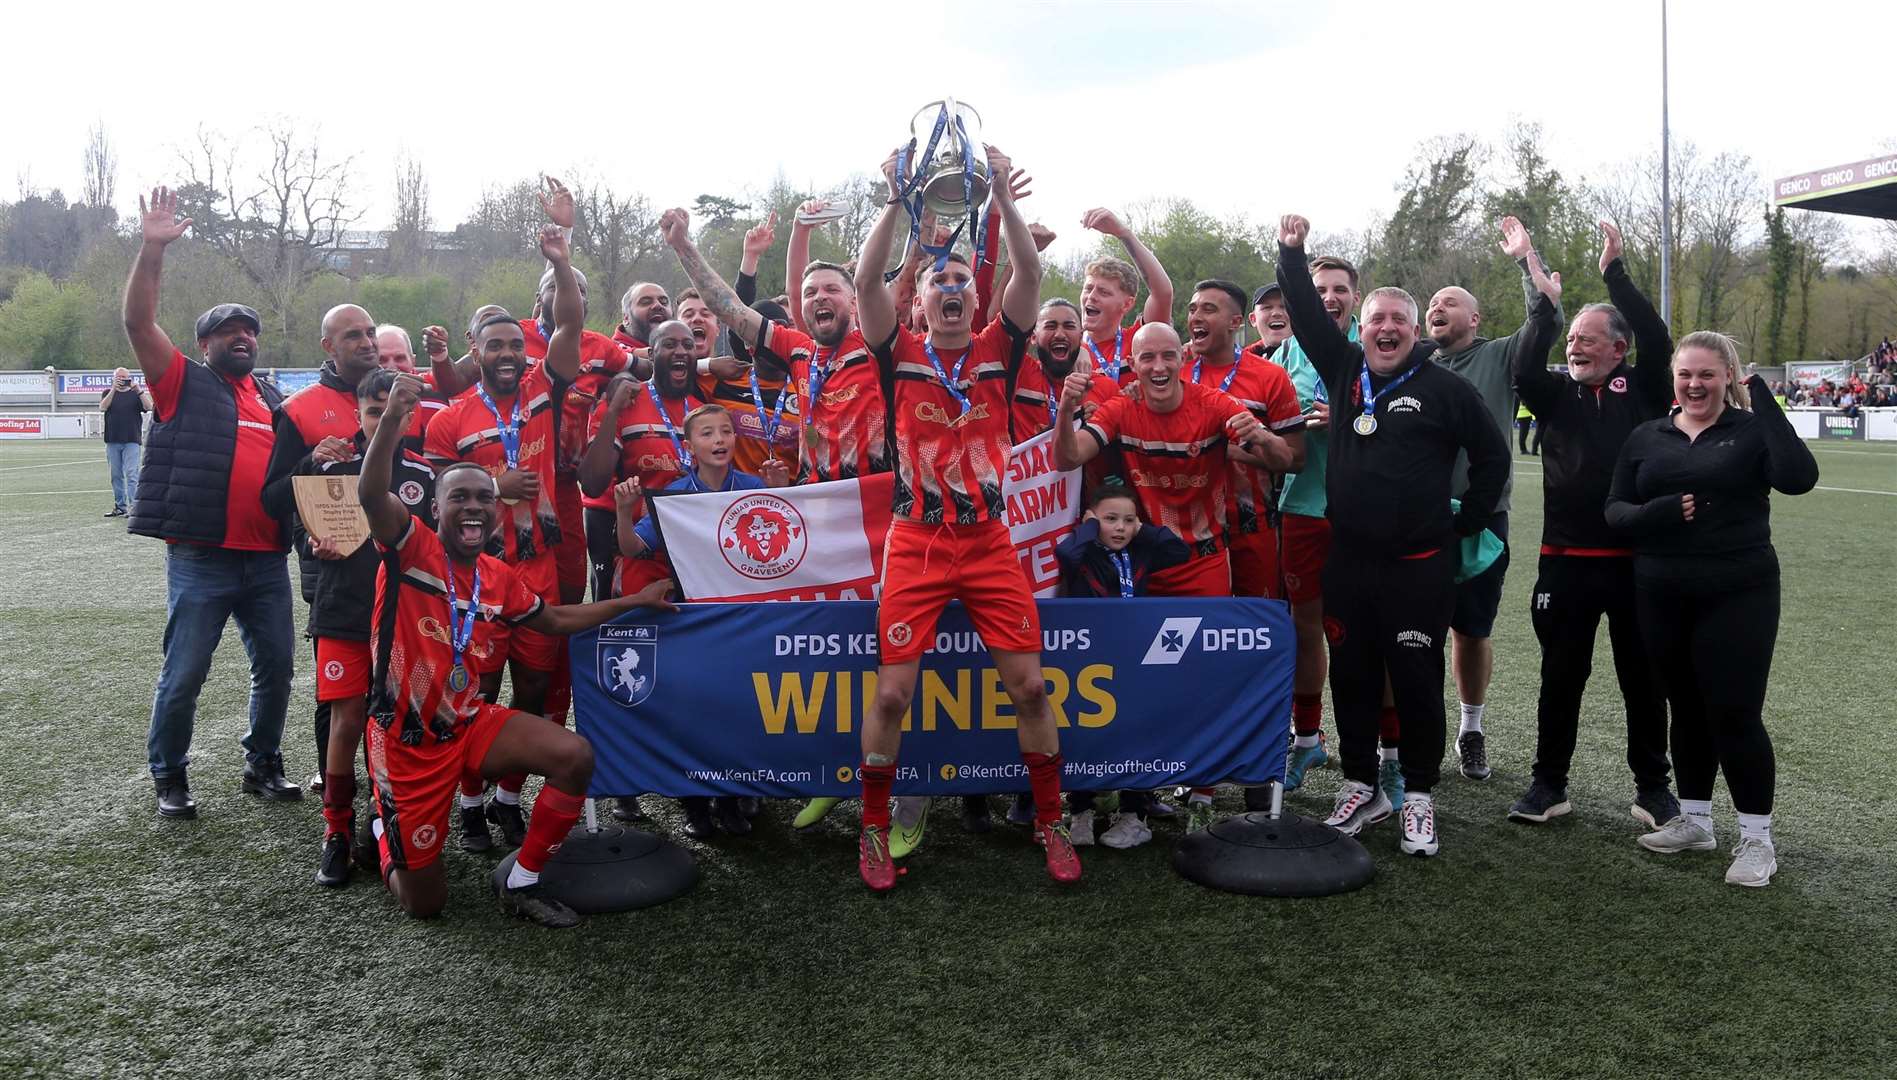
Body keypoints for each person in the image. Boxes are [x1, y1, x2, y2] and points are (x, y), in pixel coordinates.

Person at [357, 372, 677, 927]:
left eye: (485, 497)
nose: (474, 507)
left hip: (468, 722)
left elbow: (553, 618)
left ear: (498, 508)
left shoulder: (496, 576)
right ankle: (385, 828)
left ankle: (523, 880)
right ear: (436, 509)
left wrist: (634, 602)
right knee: (426, 905)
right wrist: (391, 422)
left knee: (574, 755)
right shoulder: (411, 550)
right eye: (459, 497)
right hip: (407, 744)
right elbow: (370, 494)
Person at [848, 141, 1080, 891]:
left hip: (987, 542)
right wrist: (891, 199)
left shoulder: (997, 348)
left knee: (1031, 689)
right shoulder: (897, 350)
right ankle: (875, 830)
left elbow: (1032, 274)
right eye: (936, 282)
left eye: (961, 281)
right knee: (891, 694)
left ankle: (1050, 818)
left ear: (976, 299)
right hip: (916, 542)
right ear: (918, 300)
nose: (951, 289)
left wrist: (1007, 202)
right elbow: (862, 280)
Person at [1276, 213, 1509, 857]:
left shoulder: (1445, 388)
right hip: (1349, 562)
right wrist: (1292, 254)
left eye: (1397, 322)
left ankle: (1419, 796)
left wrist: (1469, 518)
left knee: (1414, 677)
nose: (1385, 329)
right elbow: (1303, 309)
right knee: (1351, 676)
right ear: (1363, 327)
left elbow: (1492, 457)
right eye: (1375, 319)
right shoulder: (1346, 367)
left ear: (1412, 333)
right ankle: (1359, 786)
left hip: (1419, 565)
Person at [1053, 321, 1292, 829]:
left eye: (1167, 357)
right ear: (1133, 365)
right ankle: (1136, 793)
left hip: (1200, 560)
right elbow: (1068, 456)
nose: (1158, 368)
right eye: (1147, 359)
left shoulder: (1211, 404)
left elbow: (1284, 459)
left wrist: (1261, 436)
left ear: (1181, 358)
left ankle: (1205, 778)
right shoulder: (1121, 406)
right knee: (1134, 678)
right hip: (1137, 566)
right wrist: (1065, 411)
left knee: (1204, 673)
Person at [1606, 333, 1817, 887]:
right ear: (1673, 379)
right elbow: (1616, 511)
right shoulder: (1647, 435)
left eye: (1707, 374)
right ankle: (1695, 820)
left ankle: (1757, 839)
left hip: (1738, 589)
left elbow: (1798, 478)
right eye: (1685, 375)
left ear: (1729, 376)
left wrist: (1765, 402)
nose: (1694, 385)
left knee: (1734, 713)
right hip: (1660, 590)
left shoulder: (1750, 430)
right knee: (1686, 708)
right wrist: (1658, 512)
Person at [122, 186, 298, 818]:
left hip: (267, 563)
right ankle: (169, 775)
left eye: (248, 330)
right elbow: (139, 323)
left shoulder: (273, 398)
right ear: (204, 346)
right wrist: (152, 248)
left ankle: (263, 764)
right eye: (226, 332)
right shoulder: (182, 384)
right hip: (202, 559)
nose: (241, 337)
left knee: (277, 670)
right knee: (186, 675)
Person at [1506, 220, 1678, 828]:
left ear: (1618, 349)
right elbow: (1525, 368)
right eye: (1571, 337)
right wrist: (1544, 307)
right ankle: (1548, 784)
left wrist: (1615, 274)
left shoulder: (1647, 390)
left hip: (1638, 563)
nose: (1575, 346)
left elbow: (1657, 333)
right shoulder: (1554, 394)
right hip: (1566, 562)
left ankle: (1652, 788)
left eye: (1587, 338)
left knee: (1643, 679)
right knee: (1560, 677)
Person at [423, 217, 586, 852]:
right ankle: (468, 802)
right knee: (478, 687)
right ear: (474, 349)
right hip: (478, 574)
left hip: (538, 563)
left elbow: (569, 323)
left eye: (515, 344)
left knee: (537, 688)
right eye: (494, 346)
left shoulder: (546, 383)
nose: (508, 354)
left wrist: (562, 258)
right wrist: (497, 482)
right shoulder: (452, 418)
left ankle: (509, 800)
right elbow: (440, 494)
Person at [1424, 216, 1562, 783]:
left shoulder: (1501, 355)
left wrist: (1526, 260)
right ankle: (1415, 729)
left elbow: (1543, 320)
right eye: (1432, 303)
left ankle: (1471, 727)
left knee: (1472, 629)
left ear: (1474, 319)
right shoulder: (1410, 365)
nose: (1438, 308)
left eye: (1450, 302)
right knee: (1414, 629)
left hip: (1481, 519)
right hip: (1417, 521)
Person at [611, 402, 789, 839]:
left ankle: (733, 797)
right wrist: (622, 510)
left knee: (739, 707)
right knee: (694, 712)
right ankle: (696, 805)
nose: (719, 440)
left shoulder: (751, 485)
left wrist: (783, 491)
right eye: (707, 434)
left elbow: (789, 542)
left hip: (742, 619)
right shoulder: (673, 497)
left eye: (726, 431)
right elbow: (635, 549)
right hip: (690, 621)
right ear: (688, 447)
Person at [301, 369, 437, 886]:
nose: (385, 420)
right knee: (347, 720)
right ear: (358, 414)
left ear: (410, 414)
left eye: (395, 411)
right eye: (375, 412)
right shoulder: (334, 465)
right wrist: (315, 544)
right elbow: (300, 525)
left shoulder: (423, 474)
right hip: (341, 610)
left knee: (393, 721)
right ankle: (335, 831)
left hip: (399, 616)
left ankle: (384, 819)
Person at [261, 303, 385, 789]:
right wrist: (311, 461)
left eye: (371, 332)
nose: (367, 342)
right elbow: (272, 498)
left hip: (394, 565)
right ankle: (337, 797)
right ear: (327, 346)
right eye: (353, 334)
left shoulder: (396, 395)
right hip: (330, 570)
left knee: (391, 688)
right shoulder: (298, 409)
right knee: (340, 696)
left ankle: (388, 798)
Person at [1053, 483, 1190, 847]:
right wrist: (1088, 527)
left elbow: (1180, 551)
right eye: (1110, 520)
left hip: (1132, 657)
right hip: (1088, 661)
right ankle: (1080, 812)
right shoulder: (1085, 553)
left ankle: (1134, 814)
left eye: (1128, 521)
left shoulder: (1142, 550)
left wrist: (1141, 527)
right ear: (1092, 520)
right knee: (1085, 732)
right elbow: (1066, 555)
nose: (1120, 528)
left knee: (1134, 733)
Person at [1270, 252, 1361, 793]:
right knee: (1306, 631)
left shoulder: (1374, 351)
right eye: (1319, 289)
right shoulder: (1284, 355)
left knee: (1364, 633)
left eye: (1339, 290)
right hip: (1301, 509)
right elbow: (1269, 426)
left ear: (1355, 296)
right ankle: (1307, 740)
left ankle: (1384, 752)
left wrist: (1347, 420)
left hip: (1360, 513)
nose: (1329, 298)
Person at [1076, 208, 1174, 382]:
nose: (1091, 296)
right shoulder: (1069, 349)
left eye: (1103, 292)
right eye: (1088, 288)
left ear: (1127, 304)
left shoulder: (1139, 340)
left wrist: (1124, 234)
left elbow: (1162, 293)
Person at [100, 367, 151, 517]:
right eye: (119, 377)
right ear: (114, 378)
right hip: (112, 440)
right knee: (116, 475)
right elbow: (102, 407)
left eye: (125, 377)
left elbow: (149, 407)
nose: (122, 380)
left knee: (132, 474)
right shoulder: (107, 393)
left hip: (132, 440)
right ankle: (120, 506)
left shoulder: (135, 394)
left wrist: (139, 390)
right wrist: (113, 390)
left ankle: (134, 507)